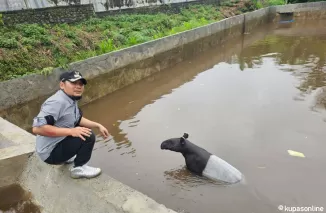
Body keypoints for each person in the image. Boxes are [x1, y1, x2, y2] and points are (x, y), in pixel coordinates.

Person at [32, 70, 110, 179]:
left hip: (58, 144)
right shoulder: (56, 102)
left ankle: (67, 157)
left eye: (81, 84)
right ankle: (79, 168)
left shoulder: (70, 99)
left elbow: (78, 119)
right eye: (74, 83)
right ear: (62, 85)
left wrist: (97, 125)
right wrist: (71, 131)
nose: (78, 87)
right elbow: (37, 129)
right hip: (50, 154)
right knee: (87, 135)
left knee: (80, 129)